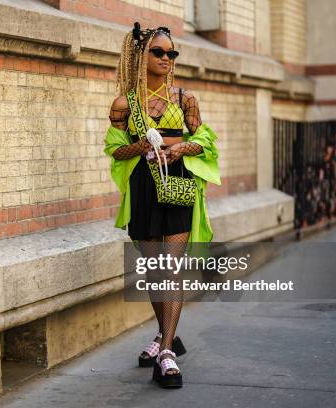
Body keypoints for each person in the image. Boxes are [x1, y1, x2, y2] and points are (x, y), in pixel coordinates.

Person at [103, 22, 221, 388]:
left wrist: (179, 148)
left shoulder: (185, 99)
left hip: (179, 184)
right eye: (159, 52)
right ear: (141, 56)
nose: (168, 58)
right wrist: (144, 146)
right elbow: (113, 148)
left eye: (172, 53)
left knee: (171, 269)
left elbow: (205, 141)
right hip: (144, 187)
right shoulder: (125, 104)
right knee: (154, 271)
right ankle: (164, 334)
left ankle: (167, 352)